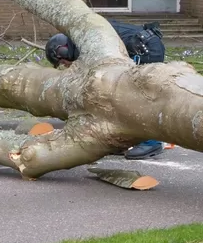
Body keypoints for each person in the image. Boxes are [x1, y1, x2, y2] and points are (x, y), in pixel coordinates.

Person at [45, 19, 166, 160]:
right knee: (116, 95)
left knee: (136, 95)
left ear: (63, 51)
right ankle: (123, 141)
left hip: (144, 48)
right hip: (139, 47)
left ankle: (152, 142)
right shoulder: (82, 40)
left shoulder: (83, 45)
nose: (65, 65)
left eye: (62, 62)